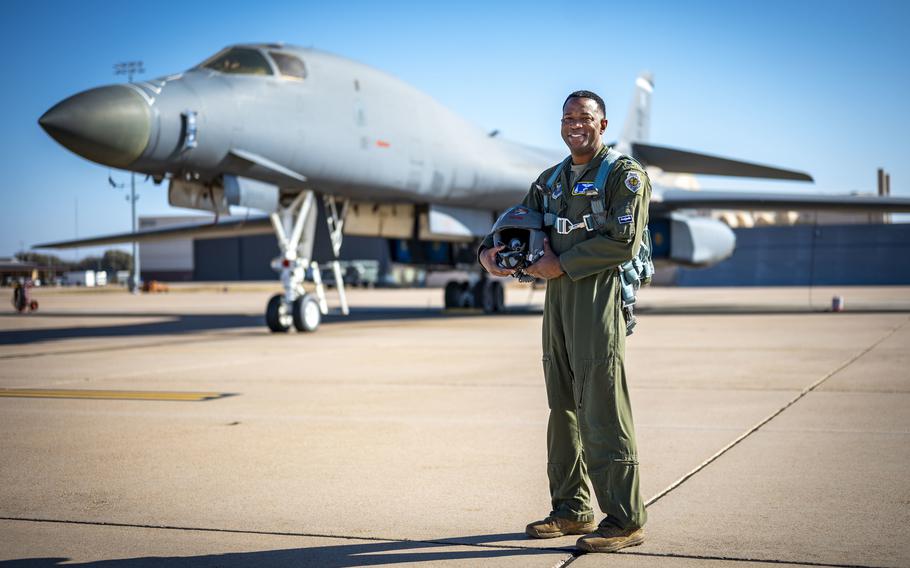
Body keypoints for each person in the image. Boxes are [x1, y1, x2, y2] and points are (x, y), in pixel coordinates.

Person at [478, 90, 650, 553]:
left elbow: (624, 242)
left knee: (602, 404)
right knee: (562, 405)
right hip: (556, 297)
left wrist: (562, 265)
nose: (576, 124)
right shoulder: (550, 180)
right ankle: (571, 508)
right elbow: (514, 226)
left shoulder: (624, 176)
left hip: (597, 293)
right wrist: (490, 254)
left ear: (603, 125)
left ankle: (625, 518)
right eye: (569, 117)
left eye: (586, 118)